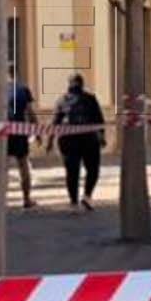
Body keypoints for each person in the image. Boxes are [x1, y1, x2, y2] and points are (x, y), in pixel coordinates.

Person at [49, 75, 106, 211]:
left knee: (72, 171)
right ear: (82, 84)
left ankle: (74, 201)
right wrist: (101, 137)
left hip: (67, 140)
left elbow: (55, 122)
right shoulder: (90, 99)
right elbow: (99, 120)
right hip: (89, 139)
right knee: (93, 169)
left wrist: (50, 141)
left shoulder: (62, 100)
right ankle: (87, 196)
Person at [6, 78, 37, 209]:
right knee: (23, 165)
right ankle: (26, 199)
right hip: (20, 130)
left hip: (2, 131)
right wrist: (37, 131)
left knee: (2, 168)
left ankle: (0, 200)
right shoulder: (23, 89)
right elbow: (30, 112)